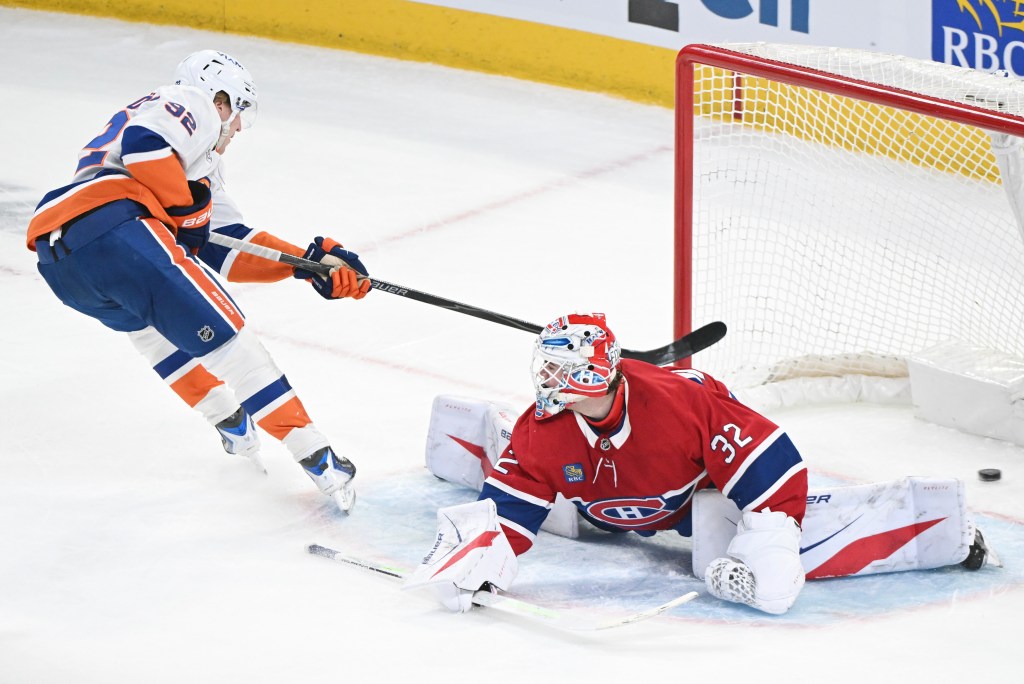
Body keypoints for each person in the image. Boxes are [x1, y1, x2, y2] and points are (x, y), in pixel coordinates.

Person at [405, 313, 995, 615]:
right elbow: (510, 505)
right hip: (601, 505)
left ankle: (935, 527)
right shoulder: (545, 427)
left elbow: (775, 467)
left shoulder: (681, 405)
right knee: (545, 494)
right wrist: (481, 559)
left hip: (691, 502)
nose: (547, 378)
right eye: (547, 365)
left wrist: (769, 546)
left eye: (561, 368)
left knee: (733, 535)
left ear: (595, 372)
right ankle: (478, 431)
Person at [25, 50, 368, 512]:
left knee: (152, 332)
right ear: (218, 97)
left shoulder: (193, 159)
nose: (238, 126)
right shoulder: (192, 103)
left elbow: (223, 245)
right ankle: (320, 459)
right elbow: (146, 146)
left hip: (63, 262)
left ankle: (233, 424)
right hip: (115, 229)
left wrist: (304, 264)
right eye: (238, 109)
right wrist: (186, 210)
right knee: (231, 342)